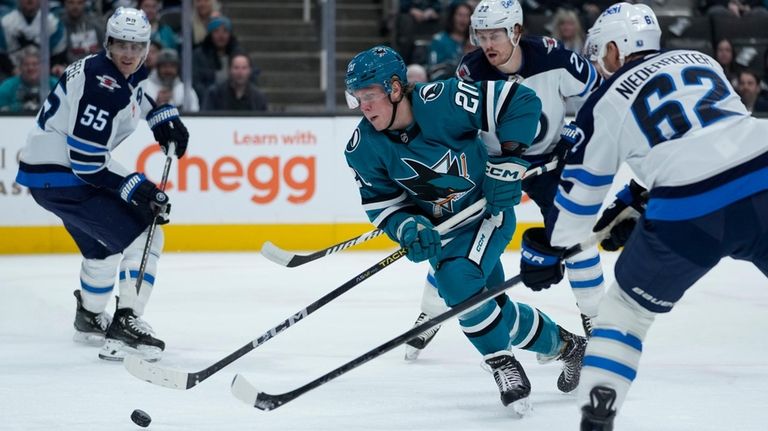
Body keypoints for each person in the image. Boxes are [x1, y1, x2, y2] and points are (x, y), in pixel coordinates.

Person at [515, 3, 768, 429]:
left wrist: (550, 247)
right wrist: (638, 196)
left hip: (690, 209)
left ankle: (598, 417)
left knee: (624, 316)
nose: (599, 63)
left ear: (616, 49)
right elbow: (708, 138)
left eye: (600, 53)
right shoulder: (703, 60)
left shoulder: (604, 99)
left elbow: (577, 205)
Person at [343, 45, 586, 414]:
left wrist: (509, 160)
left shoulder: (443, 99)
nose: (365, 107)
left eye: (370, 96)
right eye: (358, 99)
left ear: (395, 88)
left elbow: (520, 101)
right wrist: (409, 226)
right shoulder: (362, 147)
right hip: (447, 233)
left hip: (487, 213)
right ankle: (567, 346)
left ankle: (501, 362)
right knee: (491, 309)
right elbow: (383, 205)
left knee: (456, 280)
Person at [405, 0, 603, 361]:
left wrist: (580, 128)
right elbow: (457, 125)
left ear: (516, 31)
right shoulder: (472, 70)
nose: (487, 43)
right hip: (494, 165)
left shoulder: (553, 57)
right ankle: (432, 313)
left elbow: (598, 92)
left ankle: (595, 318)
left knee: (575, 235)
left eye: (495, 34)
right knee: (456, 236)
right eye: (481, 35)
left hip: (549, 161)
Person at [14, 7, 190, 363]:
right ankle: (127, 323)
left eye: (136, 45)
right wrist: (135, 188)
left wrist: (159, 115)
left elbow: (135, 93)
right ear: (108, 43)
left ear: (146, 48)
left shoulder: (114, 69)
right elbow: (87, 163)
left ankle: (91, 317)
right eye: (121, 44)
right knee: (147, 232)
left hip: (47, 172)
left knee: (104, 244)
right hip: (63, 174)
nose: (128, 53)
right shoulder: (101, 85)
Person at [0, 46, 58, 112]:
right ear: (20, 67)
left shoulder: (55, 85)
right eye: (26, 64)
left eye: (35, 64)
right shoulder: (8, 86)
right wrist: (19, 107)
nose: (30, 68)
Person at [202, 53, 267, 111]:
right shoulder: (215, 94)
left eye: (244, 68)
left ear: (249, 71)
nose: (240, 72)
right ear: (229, 70)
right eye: (236, 68)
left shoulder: (258, 97)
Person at [426, 1, 473, 80]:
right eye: (460, 15)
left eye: (467, 15)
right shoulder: (439, 40)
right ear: (452, 17)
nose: (463, 19)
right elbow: (433, 72)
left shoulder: (473, 42)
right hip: (444, 85)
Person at [60, 0, 105, 65]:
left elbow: (104, 47)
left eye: (79, 3)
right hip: (72, 68)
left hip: (97, 65)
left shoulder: (95, 23)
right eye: (71, 2)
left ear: (84, 4)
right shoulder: (60, 26)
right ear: (65, 4)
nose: (75, 7)